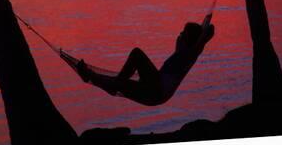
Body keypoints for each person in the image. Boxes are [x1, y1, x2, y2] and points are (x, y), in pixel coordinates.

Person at [76, 19, 215, 106]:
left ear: (190, 38)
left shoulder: (189, 54)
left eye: (183, 32)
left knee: (136, 54)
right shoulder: (183, 51)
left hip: (156, 90)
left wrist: (203, 31)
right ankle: (89, 76)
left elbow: (209, 31)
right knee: (122, 83)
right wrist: (201, 27)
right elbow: (199, 34)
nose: (180, 34)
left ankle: (110, 83)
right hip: (155, 90)